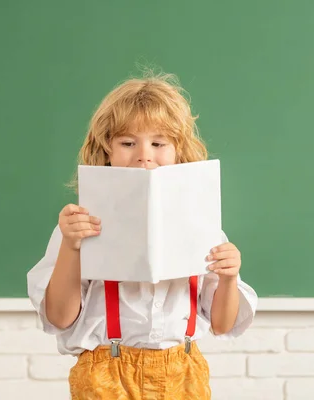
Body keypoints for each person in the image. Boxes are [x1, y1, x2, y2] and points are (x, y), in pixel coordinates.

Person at [27, 71, 258, 400]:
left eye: (159, 142)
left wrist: (230, 277)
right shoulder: (80, 224)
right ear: (107, 149)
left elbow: (222, 325)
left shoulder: (202, 223)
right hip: (105, 374)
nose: (144, 155)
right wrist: (71, 245)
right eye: (127, 142)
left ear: (179, 149)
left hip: (184, 373)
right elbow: (60, 317)